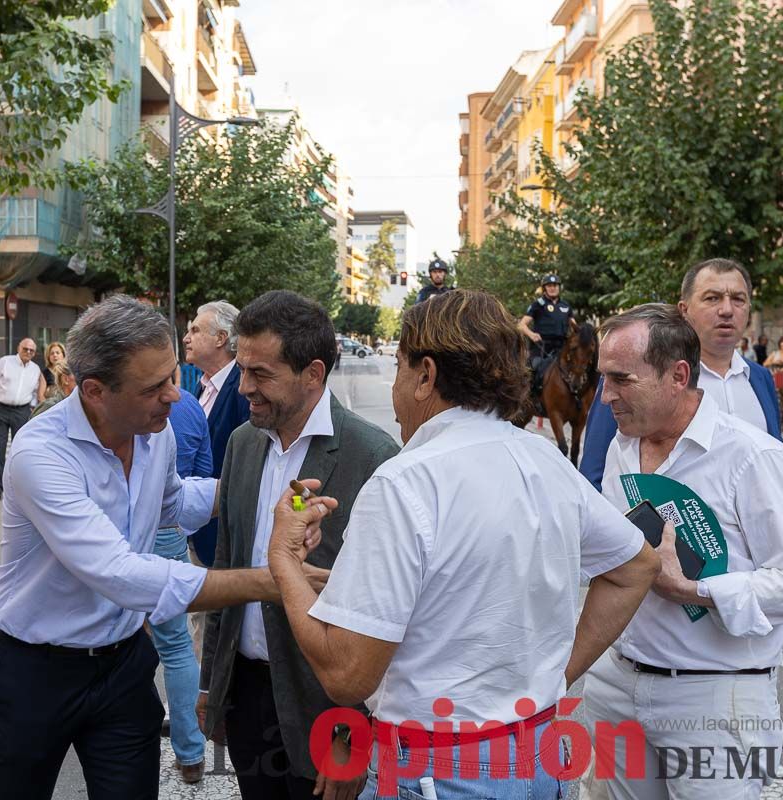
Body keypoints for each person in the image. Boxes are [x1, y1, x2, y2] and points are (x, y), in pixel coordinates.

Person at [265, 290, 658, 799]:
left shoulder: (404, 481)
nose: (395, 390)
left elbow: (347, 674)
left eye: (401, 370)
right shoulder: (543, 458)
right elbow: (636, 565)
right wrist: (550, 676)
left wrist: (284, 563)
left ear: (426, 375)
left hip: (439, 766)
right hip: (539, 751)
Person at [0, 295, 324, 799]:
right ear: (95, 391)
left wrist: (266, 488)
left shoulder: (152, 432)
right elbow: (119, 572)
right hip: (35, 671)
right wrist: (269, 583)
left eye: (172, 376)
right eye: (154, 387)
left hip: (122, 667)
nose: (174, 397)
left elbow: (173, 502)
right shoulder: (40, 454)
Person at [580, 304, 783, 800]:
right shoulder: (621, 448)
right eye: (602, 378)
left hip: (714, 698)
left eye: (620, 379)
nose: (605, 395)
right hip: (618, 687)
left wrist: (694, 589)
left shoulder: (751, 456)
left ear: (677, 375)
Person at [198, 290, 401, 800]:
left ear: (313, 373)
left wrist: (355, 732)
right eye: (242, 370)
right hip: (245, 695)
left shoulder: (373, 456)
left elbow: (387, 610)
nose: (244, 387)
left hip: (324, 706)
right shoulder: (243, 444)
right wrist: (212, 686)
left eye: (261, 374)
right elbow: (228, 565)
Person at [581, 258, 782, 491]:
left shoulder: (760, 379)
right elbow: (594, 474)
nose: (727, 310)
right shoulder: (637, 378)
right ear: (684, 310)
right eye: (712, 298)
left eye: (738, 299)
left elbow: (776, 464)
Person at [150, 387, 212, 784]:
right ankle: (190, 754)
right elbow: (203, 467)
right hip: (170, 531)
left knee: (113, 643)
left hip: (137, 531)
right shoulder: (189, 403)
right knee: (175, 645)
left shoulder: (130, 408)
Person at [183, 301, 251, 567]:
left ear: (221, 338)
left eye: (196, 330)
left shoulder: (243, 386)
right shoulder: (203, 386)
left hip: (227, 537)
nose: (186, 338)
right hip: (199, 531)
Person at [0, 338, 45, 502]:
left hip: (22, 411)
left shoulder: (35, 369)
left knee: (20, 451)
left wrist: (31, 408)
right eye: (25, 349)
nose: (28, 353)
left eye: (32, 350)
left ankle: (17, 487)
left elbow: (34, 392)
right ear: (19, 347)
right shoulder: (5, 362)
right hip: (1, 410)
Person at [763, 335, 783, 428]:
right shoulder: (775, 354)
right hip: (775, 379)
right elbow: (765, 364)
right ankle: (774, 421)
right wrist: (774, 362)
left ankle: (781, 422)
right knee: (774, 400)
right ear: (780, 343)